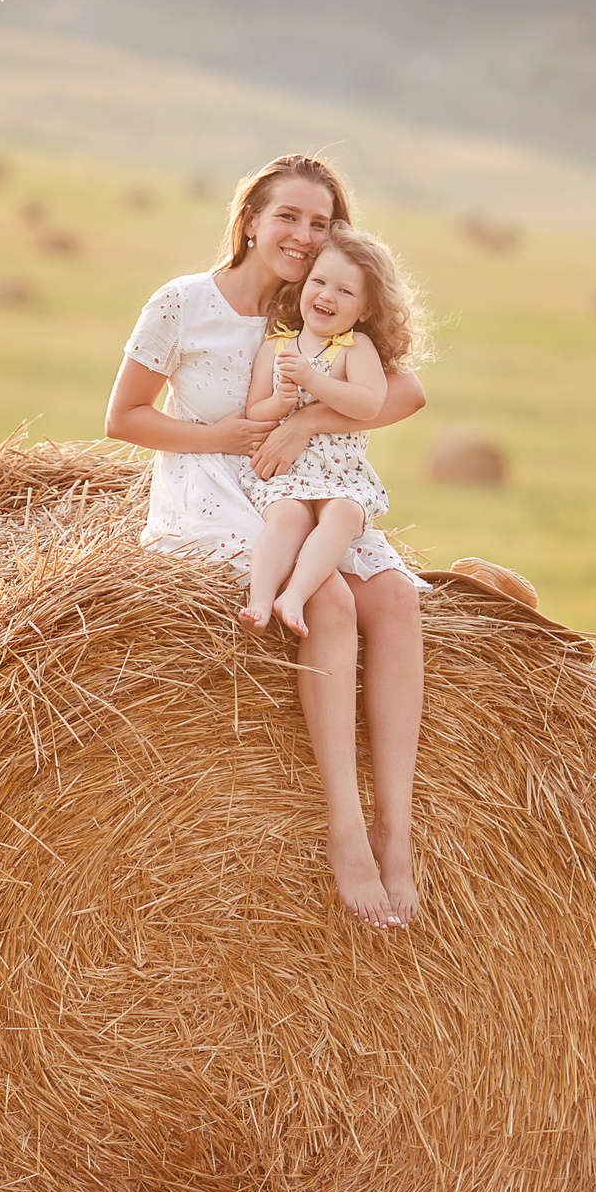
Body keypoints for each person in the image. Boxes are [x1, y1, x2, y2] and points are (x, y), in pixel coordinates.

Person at [104, 155, 430, 931]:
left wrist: (312, 419)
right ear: (249, 217)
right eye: (288, 216)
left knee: (394, 598)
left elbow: (407, 390)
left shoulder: (316, 303)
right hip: (212, 485)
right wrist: (218, 434)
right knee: (331, 601)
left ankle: (399, 829)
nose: (303, 235)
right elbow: (124, 417)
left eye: (320, 223)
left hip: (298, 478)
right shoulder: (183, 303)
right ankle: (345, 831)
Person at [238, 224, 425, 642]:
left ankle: (295, 596)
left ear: (364, 311)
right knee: (287, 516)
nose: (326, 295)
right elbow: (257, 410)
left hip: (342, 474)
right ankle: (261, 598)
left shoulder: (355, 347)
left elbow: (368, 403)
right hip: (291, 471)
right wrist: (282, 402)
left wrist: (313, 380)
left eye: (345, 291)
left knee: (342, 514)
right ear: (304, 285)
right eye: (319, 282)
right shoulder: (276, 346)